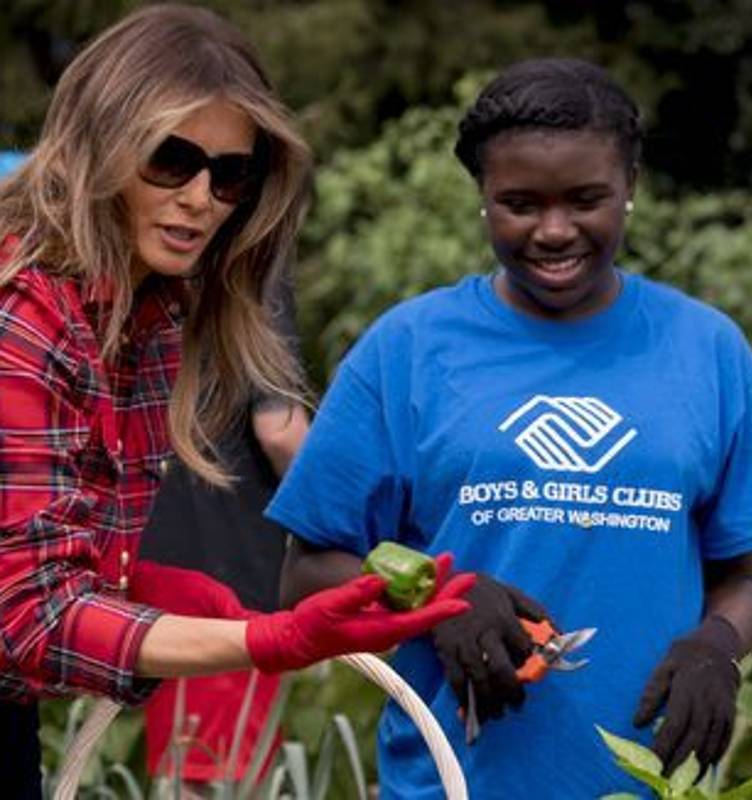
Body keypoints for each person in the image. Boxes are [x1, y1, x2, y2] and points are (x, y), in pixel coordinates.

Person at [268, 57, 752, 799]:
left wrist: (718, 646)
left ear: (630, 189)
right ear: (482, 197)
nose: (553, 230)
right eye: (519, 203)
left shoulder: (706, 350)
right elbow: (307, 571)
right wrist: (440, 598)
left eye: (586, 200)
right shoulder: (408, 348)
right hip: (451, 781)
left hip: (646, 785)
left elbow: (736, 580)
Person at [0, 5, 472, 795]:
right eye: (169, 160)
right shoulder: (25, 316)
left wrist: (178, 596)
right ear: (97, 145)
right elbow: (28, 619)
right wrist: (268, 638)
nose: (200, 198)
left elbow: (52, 561)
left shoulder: (151, 314)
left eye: (229, 174)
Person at [137, 264, 310, 784]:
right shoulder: (251, 268)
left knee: (188, 762)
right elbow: (280, 430)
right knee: (220, 774)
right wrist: (351, 518)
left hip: (160, 551)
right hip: (229, 561)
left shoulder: (150, 261)